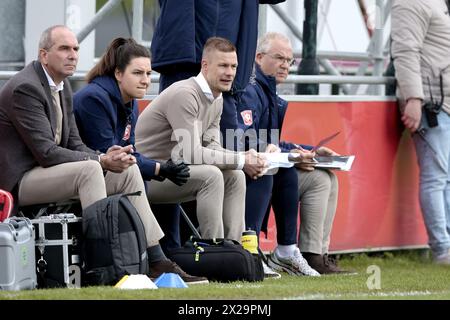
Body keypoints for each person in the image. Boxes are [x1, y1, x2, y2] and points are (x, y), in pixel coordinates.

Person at [0, 25, 207, 284]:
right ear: (43, 55)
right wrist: (99, 160)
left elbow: (75, 143)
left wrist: (109, 157)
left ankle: (156, 260)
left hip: (48, 173)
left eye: (75, 49)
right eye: (64, 48)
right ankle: (102, 264)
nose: (73, 55)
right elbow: (47, 153)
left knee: (128, 169)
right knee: (90, 169)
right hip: (20, 183)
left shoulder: (62, 87)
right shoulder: (25, 87)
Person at [223, 32, 346, 274]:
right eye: (279, 57)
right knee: (275, 165)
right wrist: (283, 154)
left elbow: (272, 143)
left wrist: (310, 152)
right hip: (239, 169)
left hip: (259, 170)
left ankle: (313, 254)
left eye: (289, 60)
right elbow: (240, 136)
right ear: (258, 57)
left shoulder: (270, 93)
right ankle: (254, 249)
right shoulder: (249, 89)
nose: (285, 65)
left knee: (324, 178)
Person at [135, 37, 268, 242]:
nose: (230, 72)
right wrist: (242, 160)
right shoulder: (185, 94)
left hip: (177, 172)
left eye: (234, 66)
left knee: (235, 175)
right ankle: (212, 250)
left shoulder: (217, 97)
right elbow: (193, 153)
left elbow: (212, 146)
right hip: (149, 177)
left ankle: (234, 250)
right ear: (205, 66)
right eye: (223, 65)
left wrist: (242, 158)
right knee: (212, 175)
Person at [73, 38, 189, 252]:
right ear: (118, 73)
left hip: (112, 173)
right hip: (86, 176)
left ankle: (185, 250)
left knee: (165, 175)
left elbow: (131, 150)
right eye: (138, 73)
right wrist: (159, 168)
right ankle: (154, 256)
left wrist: (161, 168)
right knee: (137, 171)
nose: (146, 80)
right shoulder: (93, 99)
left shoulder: (130, 101)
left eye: (148, 74)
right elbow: (111, 154)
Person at [391, 0, 450, 264]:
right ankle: (443, 248)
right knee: (437, 177)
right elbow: (405, 51)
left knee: (444, 178)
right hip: (432, 104)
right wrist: (414, 98)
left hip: (441, 103)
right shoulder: (411, 1)